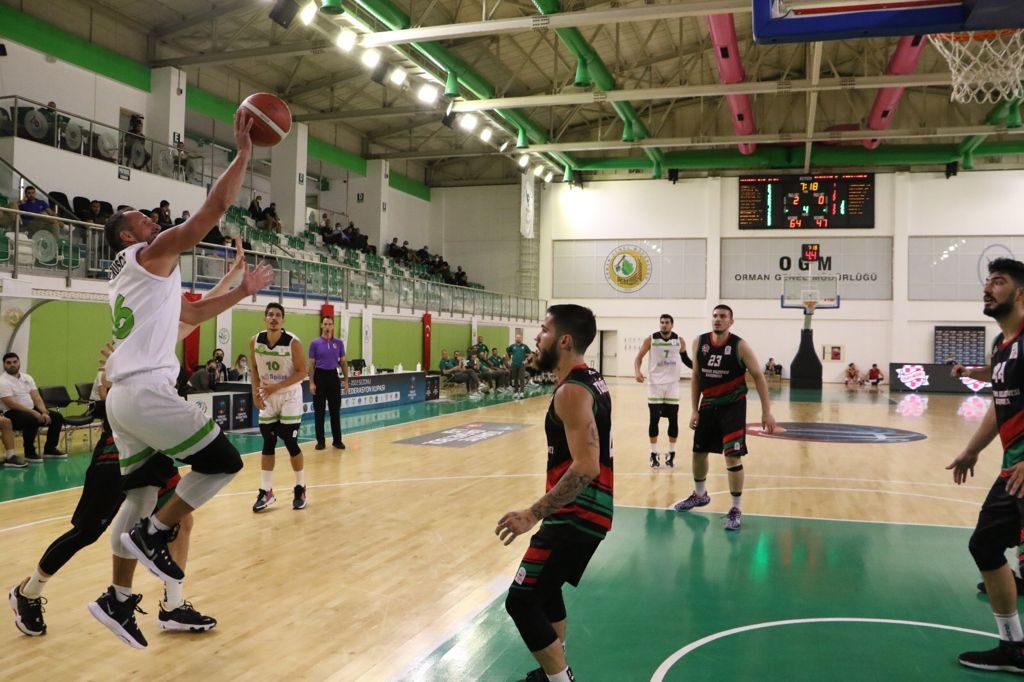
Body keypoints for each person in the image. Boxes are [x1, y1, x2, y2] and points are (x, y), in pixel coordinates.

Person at [97, 110, 273, 642]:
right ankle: (156, 534)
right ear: (127, 235)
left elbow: (192, 314)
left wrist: (240, 292)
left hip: (122, 399)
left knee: (140, 496)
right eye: (143, 219)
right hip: (145, 390)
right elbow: (211, 212)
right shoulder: (148, 254)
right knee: (222, 462)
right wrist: (243, 154)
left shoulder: (138, 278)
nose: (154, 221)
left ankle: (118, 599)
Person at [495, 304, 612, 682]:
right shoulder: (591, 378)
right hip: (585, 512)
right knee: (546, 591)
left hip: (577, 515)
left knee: (521, 600)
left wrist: (533, 513)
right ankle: (553, 672)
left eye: (544, 330)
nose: (537, 336)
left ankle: (560, 679)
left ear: (564, 341)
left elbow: (587, 466)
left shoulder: (572, 392)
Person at [947, 258, 1024, 673]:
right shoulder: (1001, 346)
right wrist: (972, 450)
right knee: (985, 545)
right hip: (1013, 469)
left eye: (998, 281)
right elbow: (1000, 402)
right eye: (987, 281)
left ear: (1020, 293)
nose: (988, 288)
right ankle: (1013, 646)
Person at [674, 304, 776, 531]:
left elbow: (758, 376)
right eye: (715, 316)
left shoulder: (740, 346)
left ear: (731, 321)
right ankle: (700, 495)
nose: (717, 319)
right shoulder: (699, 342)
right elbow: (696, 377)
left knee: (732, 457)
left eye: (722, 316)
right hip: (708, 404)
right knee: (698, 452)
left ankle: (736, 508)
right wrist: (694, 409)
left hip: (733, 406)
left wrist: (766, 411)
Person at [251, 303, 308, 512]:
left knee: (290, 440)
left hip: (289, 395)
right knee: (268, 440)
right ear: (264, 318)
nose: (273, 318)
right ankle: (266, 491)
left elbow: (302, 372)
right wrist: (255, 393)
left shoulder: (293, 343)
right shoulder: (255, 341)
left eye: (277, 315)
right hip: (268, 394)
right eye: (270, 315)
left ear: (283, 320)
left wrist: (276, 387)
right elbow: (254, 368)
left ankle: (300, 487)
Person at [634, 314, 691, 469]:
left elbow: (686, 359)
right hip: (655, 385)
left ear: (672, 325)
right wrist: (637, 371)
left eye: (667, 322)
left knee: (673, 420)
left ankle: (671, 453)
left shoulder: (679, 340)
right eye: (662, 322)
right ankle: (654, 453)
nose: (664, 325)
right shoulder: (651, 339)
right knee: (654, 419)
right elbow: (638, 357)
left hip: (672, 386)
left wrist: (699, 368)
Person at [0, 352, 66, 463]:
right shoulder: (2, 381)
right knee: (31, 419)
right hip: (12, 413)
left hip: (30, 410)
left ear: (19, 363)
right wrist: (33, 413)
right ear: (4, 365)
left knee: (56, 417)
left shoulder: (27, 377)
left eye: (15, 362)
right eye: (9, 363)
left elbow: (36, 397)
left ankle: (50, 449)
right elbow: (11, 403)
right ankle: (29, 453)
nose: (12, 365)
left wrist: (44, 412)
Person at [308, 315, 350, 451]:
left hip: (333, 376)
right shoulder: (314, 343)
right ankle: (320, 441)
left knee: (335, 411)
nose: (327, 326)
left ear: (333, 326)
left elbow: (343, 362)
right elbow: (311, 364)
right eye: (325, 324)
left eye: (330, 324)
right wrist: (311, 382)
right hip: (319, 376)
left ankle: (337, 441)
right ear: (322, 325)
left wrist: (346, 380)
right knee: (319, 411)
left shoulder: (339, 343)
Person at [508, 334, 532, 399]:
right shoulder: (512, 346)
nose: (518, 338)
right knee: (515, 379)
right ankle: (516, 392)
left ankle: (522, 392)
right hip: (514, 364)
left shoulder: (524, 346)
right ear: (515, 338)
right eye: (517, 337)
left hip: (521, 364)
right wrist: (510, 360)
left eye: (519, 337)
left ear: (521, 338)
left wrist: (526, 360)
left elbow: (531, 354)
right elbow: (508, 353)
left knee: (521, 378)